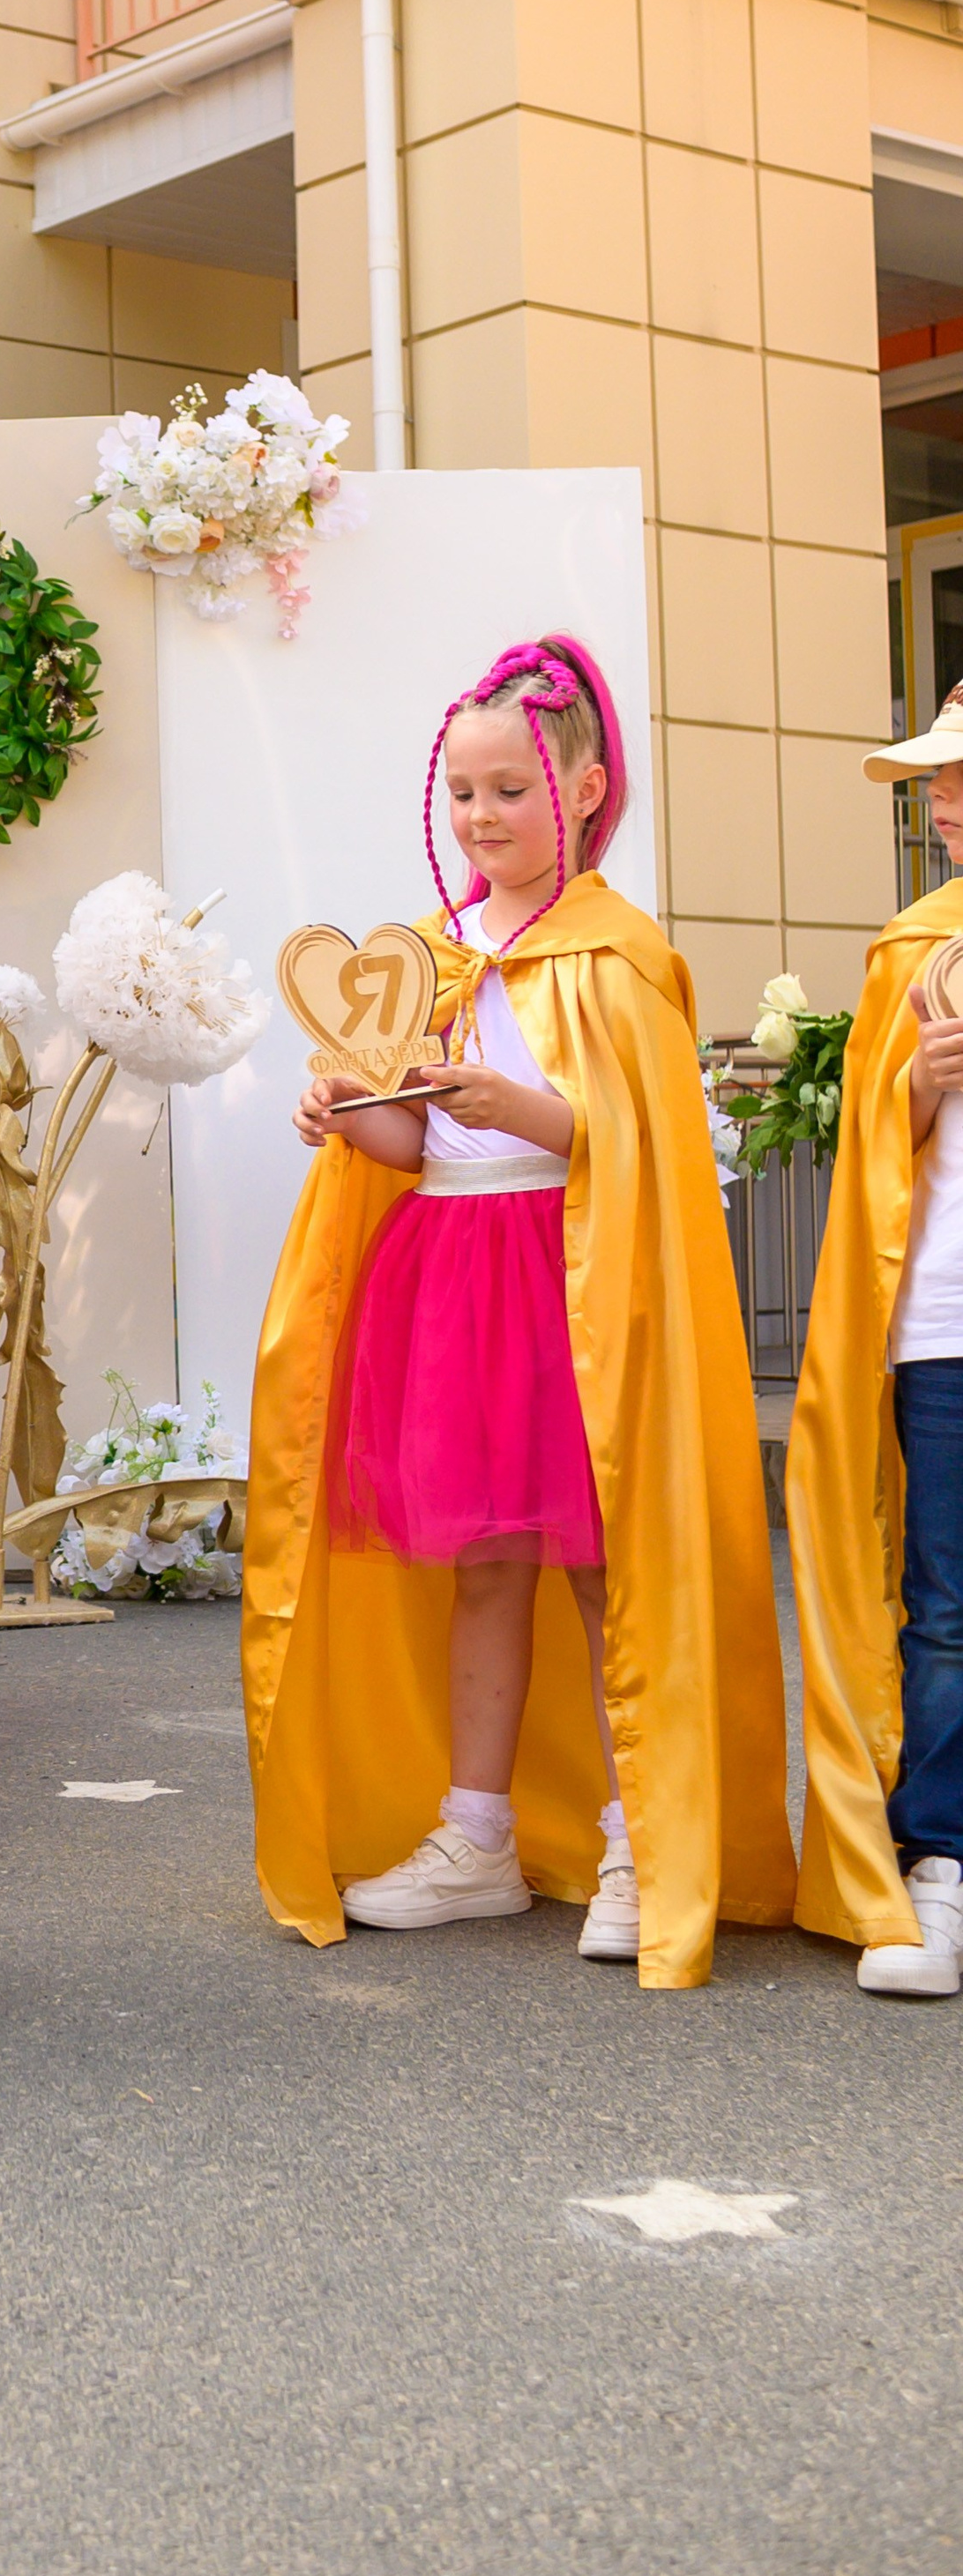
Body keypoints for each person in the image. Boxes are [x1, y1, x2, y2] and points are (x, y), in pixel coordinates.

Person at [243, 637, 795, 1989]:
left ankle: (634, 1839)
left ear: (585, 791)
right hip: (451, 1283)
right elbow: (407, 1151)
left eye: (509, 792)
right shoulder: (427, 956)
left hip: (575, 1283)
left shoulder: (620, 956)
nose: (482, 820)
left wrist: (526, 1110)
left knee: (611, 1564)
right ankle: (476, 1836)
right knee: (485, 1562)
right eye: (464, 796)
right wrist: (346, 1111)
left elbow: (642, 1146)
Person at [789, 685, 963, 1995]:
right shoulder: (912, 948)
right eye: (937, 784)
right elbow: (872, 1155)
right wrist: (916, 1085)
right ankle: (940, 1867)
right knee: (946, 1612)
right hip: (946, 1321)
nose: (944, 805)